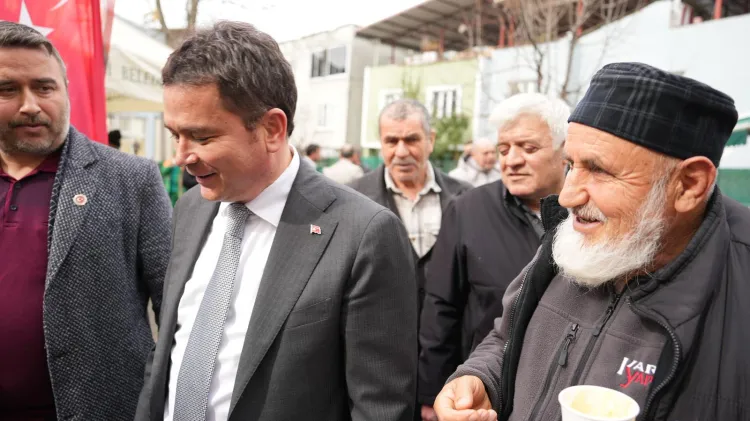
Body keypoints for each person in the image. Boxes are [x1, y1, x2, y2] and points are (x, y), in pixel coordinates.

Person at [435, 63, 750, 421]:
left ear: (689, 184)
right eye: (571, 165)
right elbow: (507, 337)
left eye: (599, 170)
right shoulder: (574, 236)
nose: (567, 197)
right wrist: (481, 378)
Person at [135, 22, 417, 421]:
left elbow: (380, 408)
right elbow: (169, 352)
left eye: (202, 137)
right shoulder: (190, 209)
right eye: (175, 134)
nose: (182, 156)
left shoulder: (363, 234)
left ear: (271, 129)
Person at [0, 22, 171, 420]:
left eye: (44, 87)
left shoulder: (131, 180)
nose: (30, 105)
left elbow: (176, 311)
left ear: (65, 90)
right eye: (7, 89)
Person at [418, 93, 570, 421]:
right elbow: (441, 306)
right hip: (479, 394)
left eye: (528, 148)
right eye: (503, 149)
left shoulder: (588, 215)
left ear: (565, 151)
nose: (511, 161)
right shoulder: (467, 210)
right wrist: (432, 392)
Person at [348, 99, 471, 319]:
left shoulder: (465, 197)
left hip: (448, 334)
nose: (401, 152)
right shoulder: (353, 199)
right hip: (382, 330)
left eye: (412, 140)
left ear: (431, 140)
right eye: (391, 141)